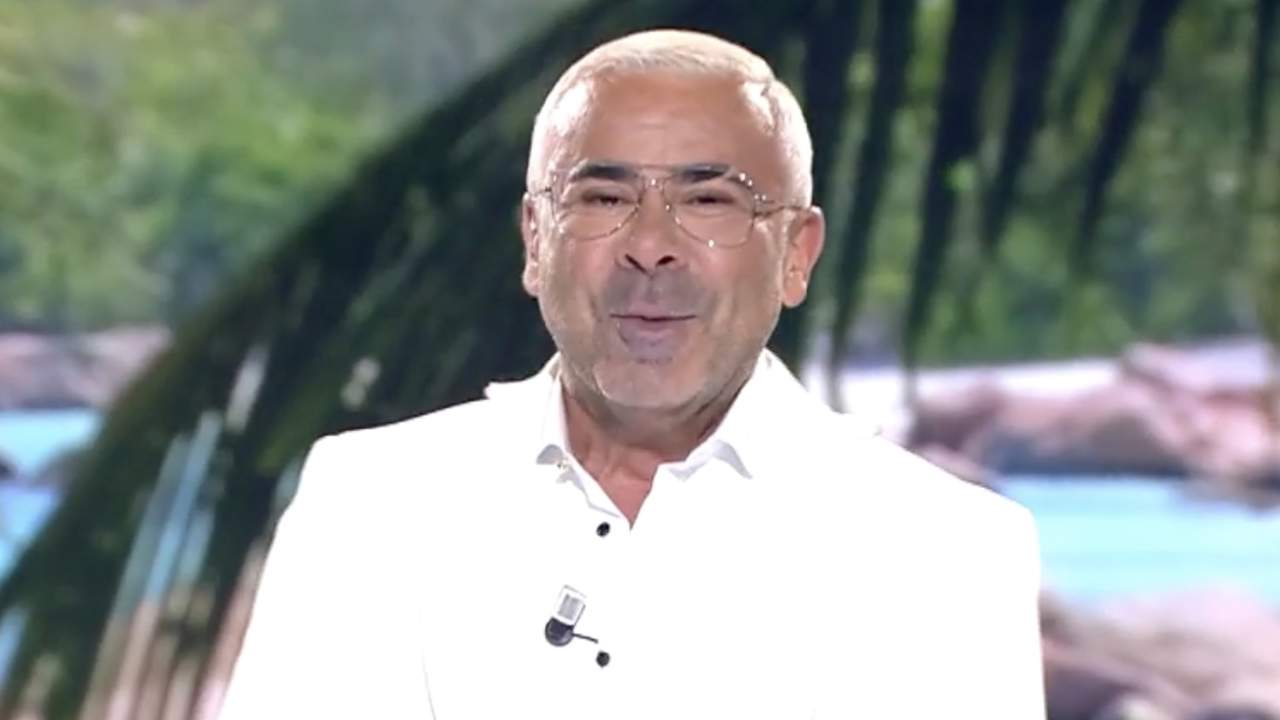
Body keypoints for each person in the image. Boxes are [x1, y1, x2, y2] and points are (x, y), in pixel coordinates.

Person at [219, 29, 1045, 719]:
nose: (651, 246)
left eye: (710, 200)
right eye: (604, 198)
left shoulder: (945, 549)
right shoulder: (371, 502)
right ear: (535, 239)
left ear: (797, 254)